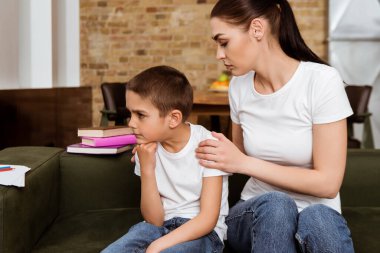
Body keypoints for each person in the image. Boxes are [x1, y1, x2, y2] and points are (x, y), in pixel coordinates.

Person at [195, 0, 355, 252]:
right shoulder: (239, 87)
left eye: (223, 42)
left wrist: (244, 163)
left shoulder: (321, 80)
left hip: (319, 212)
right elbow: (231, 153)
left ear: (257, 29)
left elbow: (328, 184)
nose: (219, 54)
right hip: (256, 212)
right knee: (277, 205)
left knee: (319, 217)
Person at [101, 65, 229, 253]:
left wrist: (159, 245)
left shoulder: (208, 145)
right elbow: (154, 220)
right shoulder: (146, 149)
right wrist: (146, 168)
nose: (131, 123)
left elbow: (207, 219)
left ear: (173, 118)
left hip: (201, 232)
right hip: (156, 227)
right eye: (130, 114)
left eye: (140, 115)